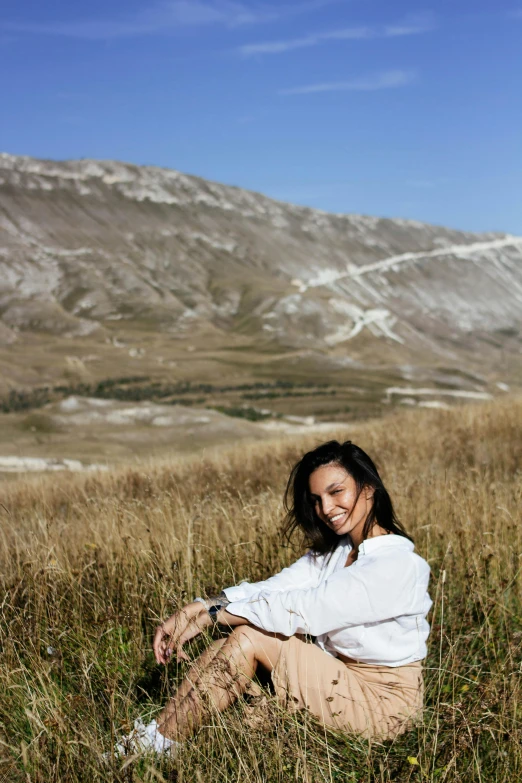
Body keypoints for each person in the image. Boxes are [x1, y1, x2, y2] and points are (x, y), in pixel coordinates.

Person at [111, 440, 432, 757]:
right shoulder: (339, 552)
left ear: (368, 487)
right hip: (341, 677)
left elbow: (305, 611)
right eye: (317, 500)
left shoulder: (398, 565)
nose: (327, 509)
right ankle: (153, 736)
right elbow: (275, 588)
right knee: (225, 645)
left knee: (250, 637)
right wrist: (199, 606)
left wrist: (211, 617)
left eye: (336, 492)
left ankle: (158, 747)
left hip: (384, 704)